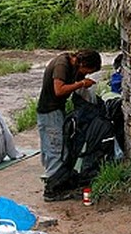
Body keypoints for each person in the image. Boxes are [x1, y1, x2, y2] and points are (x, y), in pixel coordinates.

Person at [36, 49, 102, 180]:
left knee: (52, 144)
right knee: (56, 146)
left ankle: (53, 176)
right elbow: (59, 90)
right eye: (88, 71)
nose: (86, 75)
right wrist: (81, 84)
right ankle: (53, 181)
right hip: (49, 111)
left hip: (56, 109)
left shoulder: (74, 67)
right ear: (82, 64)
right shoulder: (62, 64)